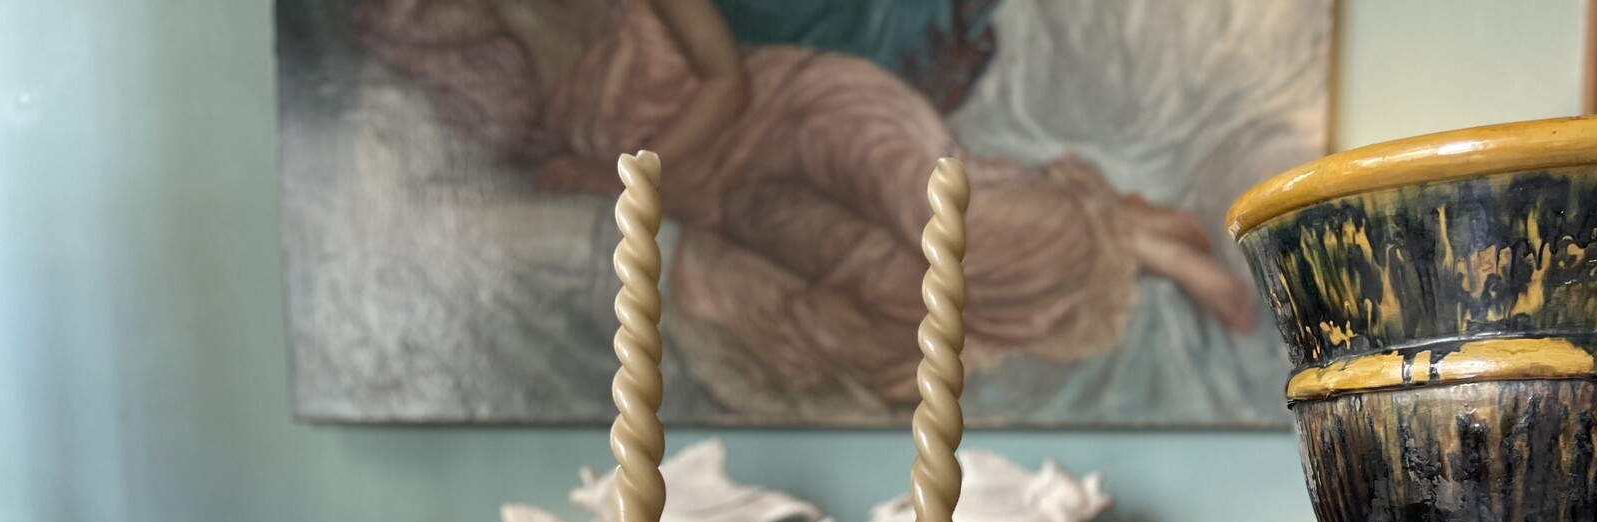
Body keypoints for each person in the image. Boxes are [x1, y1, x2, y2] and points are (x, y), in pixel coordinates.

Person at [355, 0, 1257, 411]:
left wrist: (630, 175)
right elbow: (399, 35)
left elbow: (727, 87)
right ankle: (1119, 233)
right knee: (904, 295)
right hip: (733, 195)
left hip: (796, 109)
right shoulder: (495, 69)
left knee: (945, 223)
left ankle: (1129, 234)